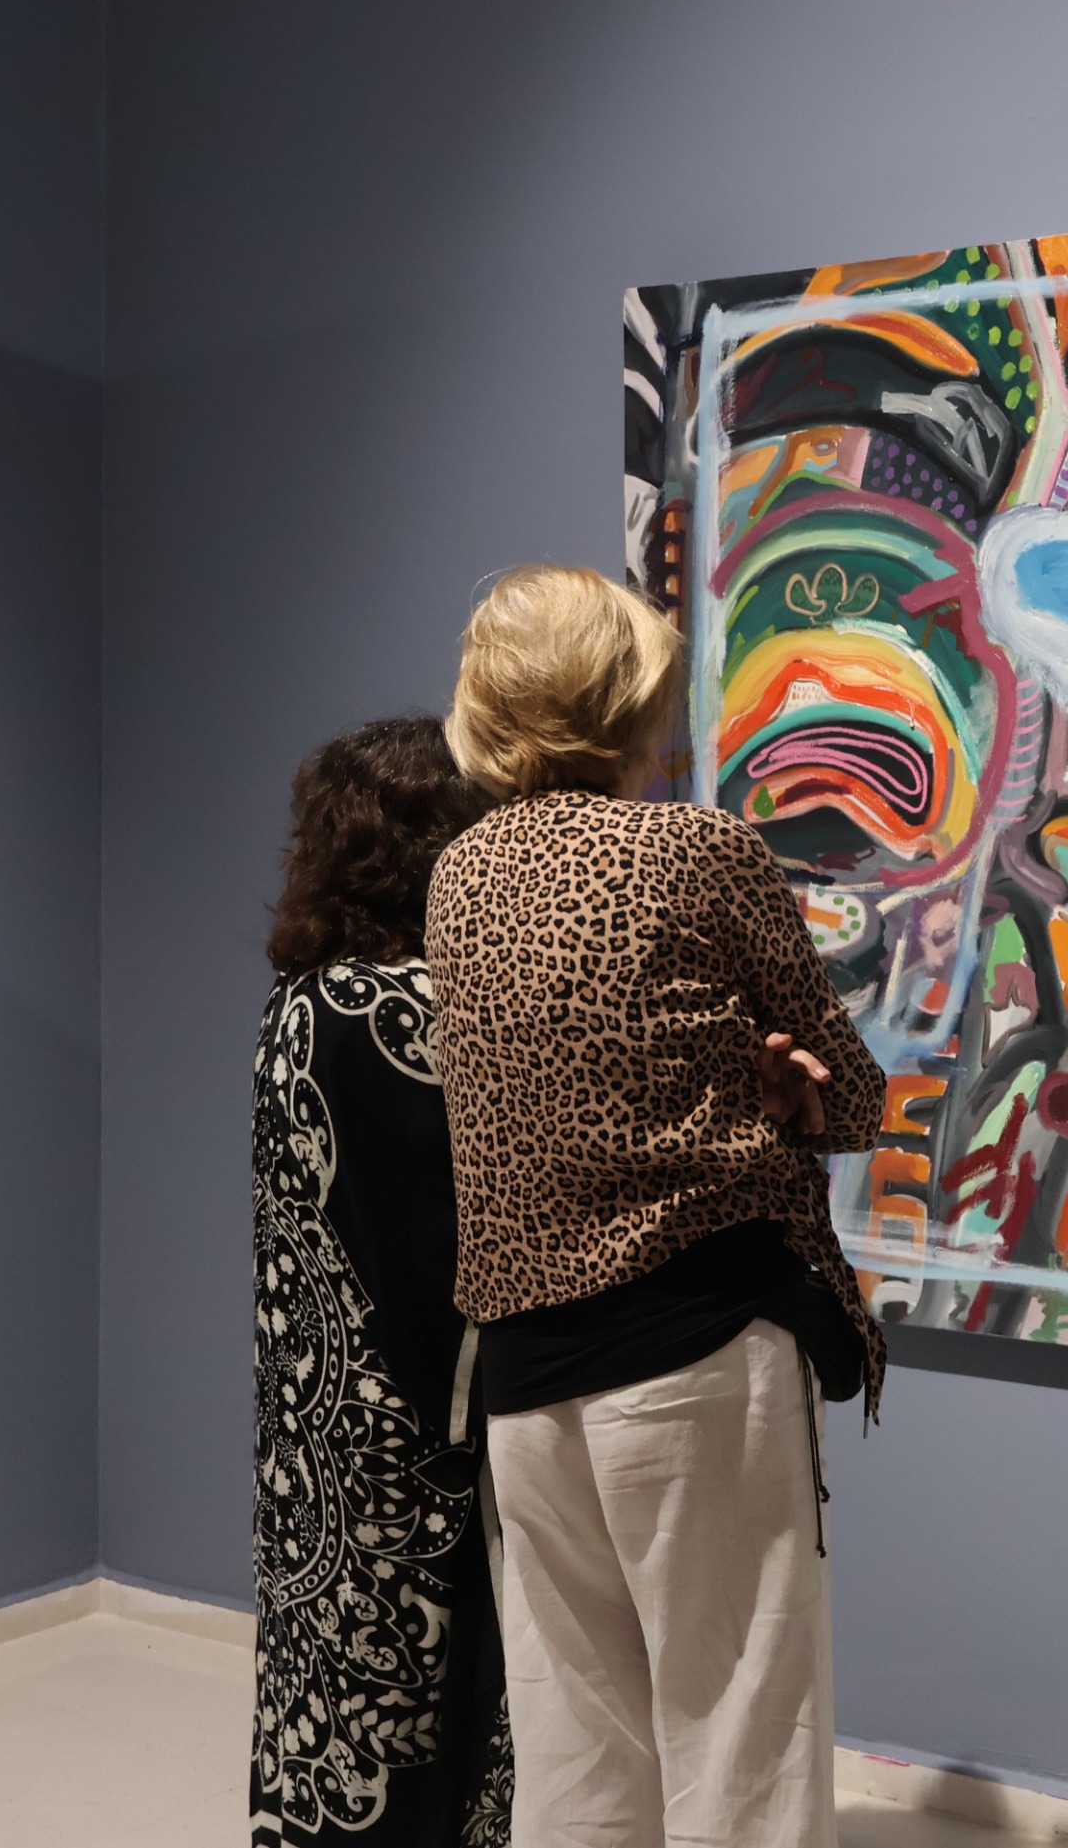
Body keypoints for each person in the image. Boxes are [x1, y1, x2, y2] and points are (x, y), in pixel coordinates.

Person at [424, 565, 884, 1848]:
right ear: (624, 697)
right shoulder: (698, 849)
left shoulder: (458, 876)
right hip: (692, 1351)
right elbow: (851, 1093)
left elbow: (572, 1088)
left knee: (577, 1750)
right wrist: (792, 1092)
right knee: (739, 1739)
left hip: (525, 1374)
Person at [250, 717, 511, 1847]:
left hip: (315, 1433)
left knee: (325, 1684)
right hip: (411, 1435)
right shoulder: (408, 1011)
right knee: (428, 1702)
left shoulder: (301, 1000)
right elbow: (451, 1247)